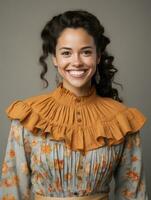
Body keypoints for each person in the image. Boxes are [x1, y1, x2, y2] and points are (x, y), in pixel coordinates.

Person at [0, 10, 148, 200]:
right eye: (66, 53)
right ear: (54, 58)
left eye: (86, 52)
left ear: (98, 56)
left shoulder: (123, 120)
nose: (76, 62)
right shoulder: (29, 116)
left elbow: (133, 194)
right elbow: (12, 190)